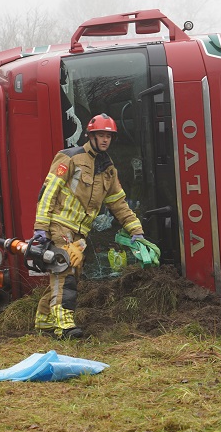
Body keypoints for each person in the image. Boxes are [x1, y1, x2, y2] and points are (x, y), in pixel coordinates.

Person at [32, 113, 144, 339]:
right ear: (90, 135)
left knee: (66, 272)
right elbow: (48, 193)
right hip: (61, 225)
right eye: (100, 135)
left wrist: (136, 230)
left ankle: (44, 319)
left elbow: (118, 203)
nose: (105, 140)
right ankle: (64, 324)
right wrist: (41, 227)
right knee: (65, 271)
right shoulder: (70, 158)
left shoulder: (109, 170)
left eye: (108, 136)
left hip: (80, 233)